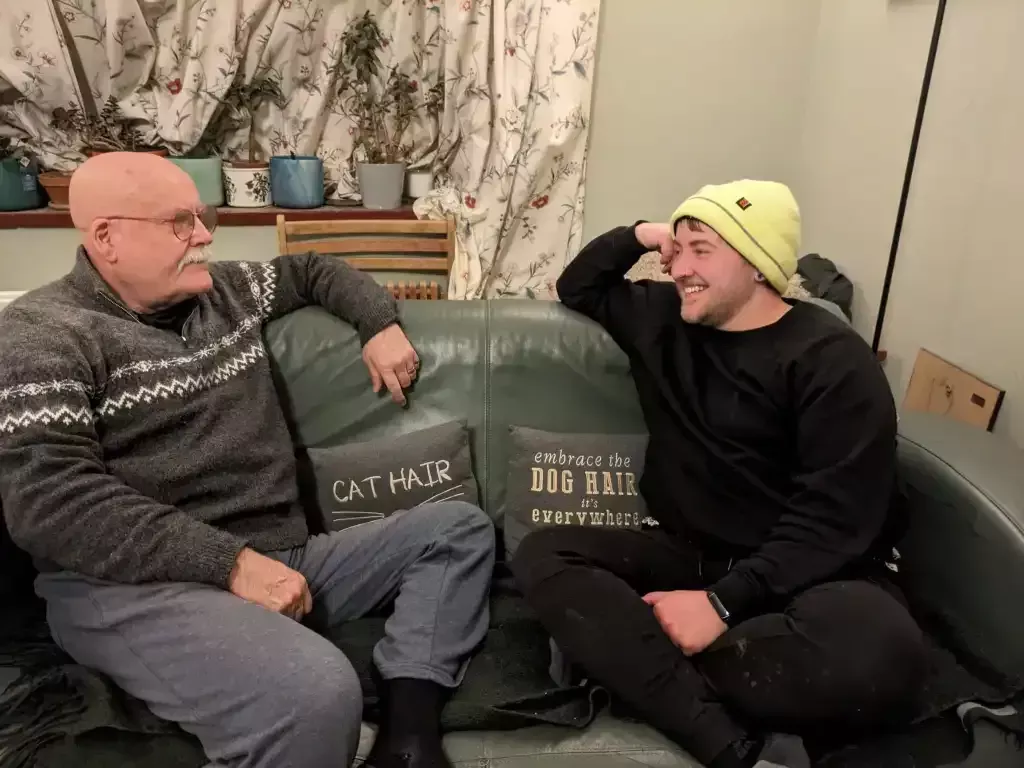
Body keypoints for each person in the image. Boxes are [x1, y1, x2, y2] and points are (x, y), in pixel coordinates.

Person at [0, 153, 495, 768]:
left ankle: (407, 737)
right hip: (137, 586)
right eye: (181, 222)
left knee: (459, 528)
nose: (205, 235)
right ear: (107, 236)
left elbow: (313, 269)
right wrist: (231, 565)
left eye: (202, 217)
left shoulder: (227, 291)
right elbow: (50, 503)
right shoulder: (42, 334)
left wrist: (377, 323)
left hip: (282, 557)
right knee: (314, 694)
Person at [510, 180, 927, 768]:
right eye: (676, 253)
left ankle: (630, 661)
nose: (680, 267)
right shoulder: (662, 317)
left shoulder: (832, 360)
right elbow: (579, 284)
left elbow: (832, 522)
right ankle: (725, 743)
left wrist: (722, 606)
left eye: (702, 250)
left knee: (883, 656)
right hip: (685, 554)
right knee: (544, 554)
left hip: (801, 574)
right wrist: (646, 234)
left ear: (759, 264)